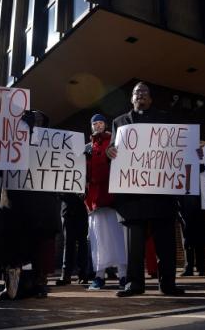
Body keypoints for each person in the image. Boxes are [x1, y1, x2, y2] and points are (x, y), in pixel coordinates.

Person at [106, 82, 184, 297]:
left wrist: (192, 152)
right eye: (136, 92)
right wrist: (109, 151)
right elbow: (112, 149)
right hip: (132, 196)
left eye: (144, 92)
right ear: (131, 98)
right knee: (134, 246)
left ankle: (168, 284)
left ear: (150, 98)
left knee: (165, 244)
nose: (140, 95)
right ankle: (134, 285)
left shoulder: (165, 119)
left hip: (161, 194)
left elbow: (178, 149)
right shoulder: (119, 122)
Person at [0, 110, 61, 299]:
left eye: (41, 119)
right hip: (17, 202)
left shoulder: (53, 143)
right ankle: (11, 286)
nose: (36, 120)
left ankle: (38, 284)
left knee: (39, 249)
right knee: (14, 249)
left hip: (42, 205)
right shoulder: (14, 138)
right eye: (32, 117)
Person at [84, 114, 127, 290]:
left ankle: (123, 275)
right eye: (95, 123)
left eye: (100, 122)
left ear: (105, 125)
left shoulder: (114, 141)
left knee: (118, 237)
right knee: (98, 239)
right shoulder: (87, 147)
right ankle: (99, 276)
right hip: (94, 200)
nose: (98, 125)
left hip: (112, 197)